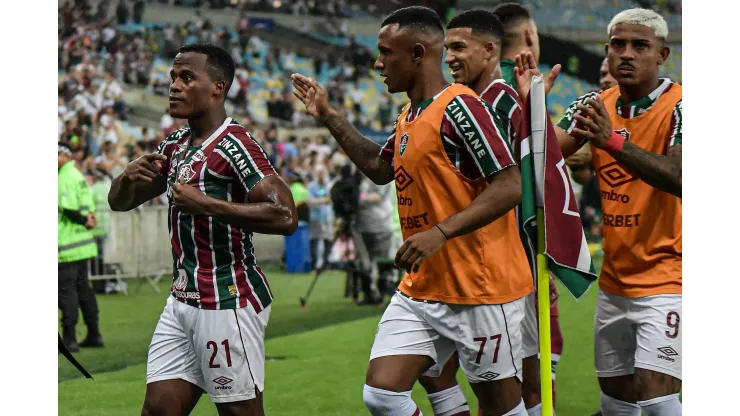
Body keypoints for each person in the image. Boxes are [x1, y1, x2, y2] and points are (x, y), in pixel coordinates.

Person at [292, 6, 533, 416]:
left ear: (419, 54)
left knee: (499, 406)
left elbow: (510, 185)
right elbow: (381, 168)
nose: (378, 63)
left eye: (386, 52)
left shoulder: (462, 108)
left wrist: (439, 233)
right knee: (383, 395)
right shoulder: (410, 114)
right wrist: (330, 117)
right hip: (423, 288)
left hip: (481, 288)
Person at [108, 43, 297, 416]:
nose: (174, 86)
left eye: (187, 77)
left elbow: (286, 215)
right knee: (158, 411)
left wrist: (209, 205)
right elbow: (121, 202)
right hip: (181, 299)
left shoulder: (236, 145)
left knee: (239, 411)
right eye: (173, 78)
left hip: (226, 297)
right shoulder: (176, 143)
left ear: (218, 87)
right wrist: (126, 177)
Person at [514, 8, 682, 416]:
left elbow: (681, 176)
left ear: (662, 54)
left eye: (639, 46)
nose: (626, 54)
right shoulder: (594, 103)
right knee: (615, 401)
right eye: (618, 45)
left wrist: (613, 143)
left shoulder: (683, 106)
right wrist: (529, 104)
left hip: (669, 278)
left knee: (657, 399)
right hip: (615, 283)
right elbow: (542, 154)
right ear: (606, 51)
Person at [59, 142, 104, 353]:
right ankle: (94, 334)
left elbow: (68, 209)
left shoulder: (63, 178)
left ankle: (69, 339)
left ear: (62, 155)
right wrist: (89, 219)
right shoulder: (79, 176)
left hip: (67, 245)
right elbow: (88, 208)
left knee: (67, 292)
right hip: (83, 244)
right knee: (84, 290)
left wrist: (85, 220)